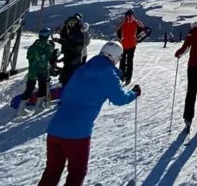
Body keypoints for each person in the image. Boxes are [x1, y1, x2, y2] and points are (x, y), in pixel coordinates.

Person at [37, 41, 141, 186]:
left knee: (52, 171)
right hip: (78, 133)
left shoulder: (81, 69)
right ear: (117, 58)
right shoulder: (109, 74)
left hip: (55, 128)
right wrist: (134, 93)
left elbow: (65, 94)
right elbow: (119, 98)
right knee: (77, 171)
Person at [17, 28, 56, 117]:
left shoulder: (33, 46)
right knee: (42, 87)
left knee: (29, 88)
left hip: (32, 70)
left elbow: (29, 57)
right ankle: (38, 107)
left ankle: (21, 109)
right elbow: (48, 58)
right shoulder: (47, 46)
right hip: (42, 70)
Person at [116, 9, 144, 85]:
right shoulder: (136, 23)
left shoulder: (122, 23)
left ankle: (121, 77)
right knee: (129, 62)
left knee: (122, 61)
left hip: (123, 45)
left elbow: (118, 34)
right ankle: (128, 79)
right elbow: (142, 32)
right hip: (132, 45)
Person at [56, 16, 85, 88]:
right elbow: (68, 42)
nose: (70, 25)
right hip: (69, 58)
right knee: (66, 75)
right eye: (70, 23)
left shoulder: (77, 33)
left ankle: (69, 89)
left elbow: (76, 47)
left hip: (73, 60)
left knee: (69, 76)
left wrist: (68, 48)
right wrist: (59, 40)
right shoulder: (72, 32)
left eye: (72, 23)